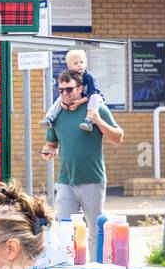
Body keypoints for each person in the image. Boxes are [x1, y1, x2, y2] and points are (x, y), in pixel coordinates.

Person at [41, 69, 123, 231]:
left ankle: (95, 258)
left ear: (80, 89)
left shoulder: (96, 109)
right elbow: (51, 144)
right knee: (66, 232)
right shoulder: (56, 113)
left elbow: (118, 138)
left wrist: (98, 121)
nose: (64, 94)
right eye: (61, 90)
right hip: (66, 181)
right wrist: (48, 151)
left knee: (95, 230)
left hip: (92, 180)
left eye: (69, 89)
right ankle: (68, 258)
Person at [40, 49, 104, 135]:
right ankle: (49, 118)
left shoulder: (89, 76)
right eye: (76, 63)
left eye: (81, 62)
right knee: (60, 97)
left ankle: (88, 121)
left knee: (95, 98)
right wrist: (63, 102)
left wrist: (79, 102)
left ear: (85, 63)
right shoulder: (70, 77)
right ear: (69, 67)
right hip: (81, 97)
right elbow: (65, 92)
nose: (79, 65)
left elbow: (92, 92)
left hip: (94, 97)